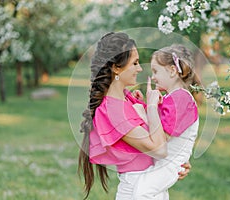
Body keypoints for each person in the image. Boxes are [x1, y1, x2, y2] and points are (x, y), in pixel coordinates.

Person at [78, 32, 190, 200]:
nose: (139, 68)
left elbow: (158, 138)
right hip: (137, 190)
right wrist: (151, 107)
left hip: (151, 185)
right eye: (135, 63)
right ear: (116, 67)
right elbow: (159, 149)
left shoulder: (127, 99)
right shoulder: (112, 110)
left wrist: (174, 165)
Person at [131, 44, 199, 199]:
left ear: (172, 71)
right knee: (155, 194)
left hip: (171, 163)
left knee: (142, 191)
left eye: (156, 71)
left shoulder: (181, 98)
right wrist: (147, 106)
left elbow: (161, 136)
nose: (153, 77)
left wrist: (146, 110)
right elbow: (157, 124)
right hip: (164, 161)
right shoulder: (172, 98)